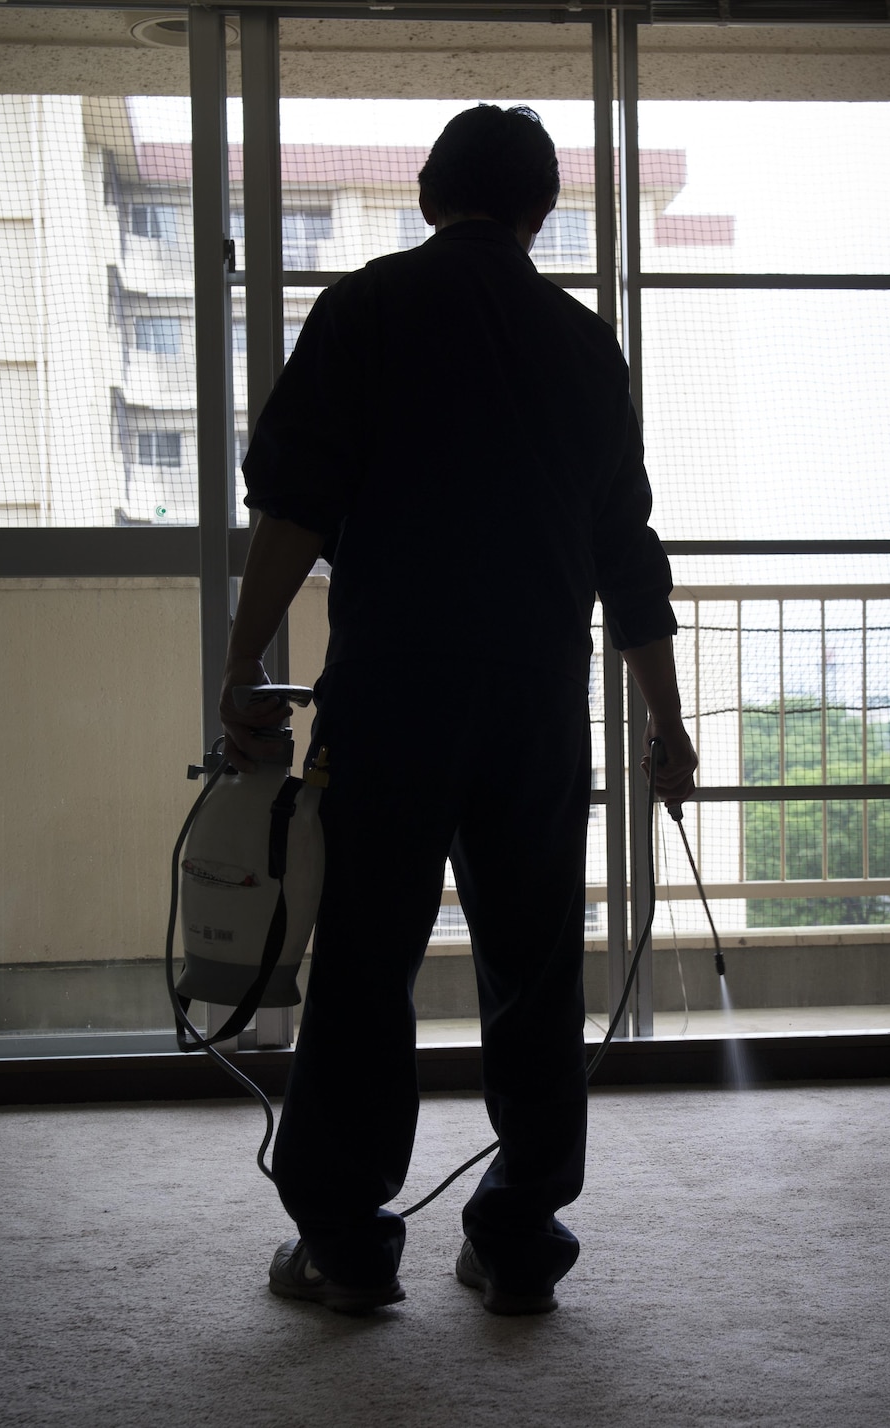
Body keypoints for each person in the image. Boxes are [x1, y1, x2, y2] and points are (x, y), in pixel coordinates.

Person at [219, 104, 697, 1317]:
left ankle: (343, 1243)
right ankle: (518, 1238)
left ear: (433, 192)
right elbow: (625, 551)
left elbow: (293, 507)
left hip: (391, 697)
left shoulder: (367, 308)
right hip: (536, 706)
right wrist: (665, 720)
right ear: (540, 208)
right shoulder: (587, 347)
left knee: (366, 963)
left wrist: (240, 669)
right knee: (532, 974)